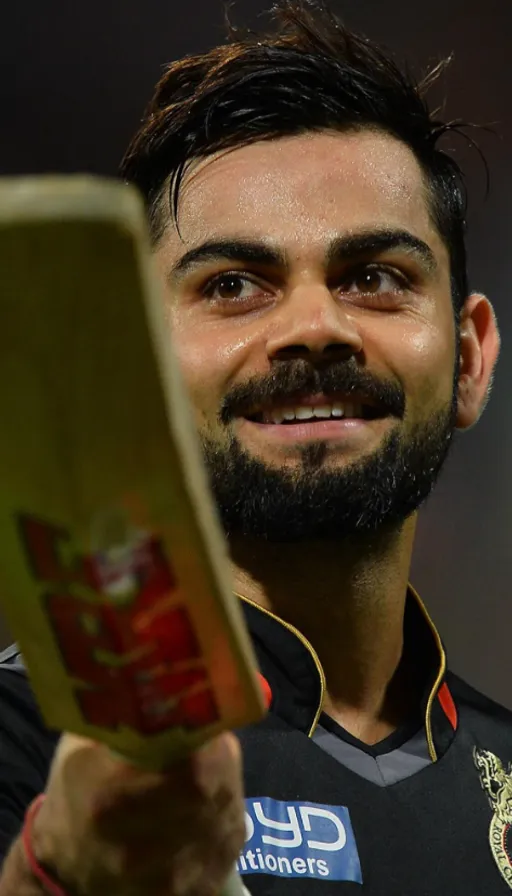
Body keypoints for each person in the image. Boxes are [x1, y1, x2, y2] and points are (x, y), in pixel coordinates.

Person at [0, 1, 510, 894]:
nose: (313, 327)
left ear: (468, 358)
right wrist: (55, 873)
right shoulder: (22, 738)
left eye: (376, 277)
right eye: (233, 284)